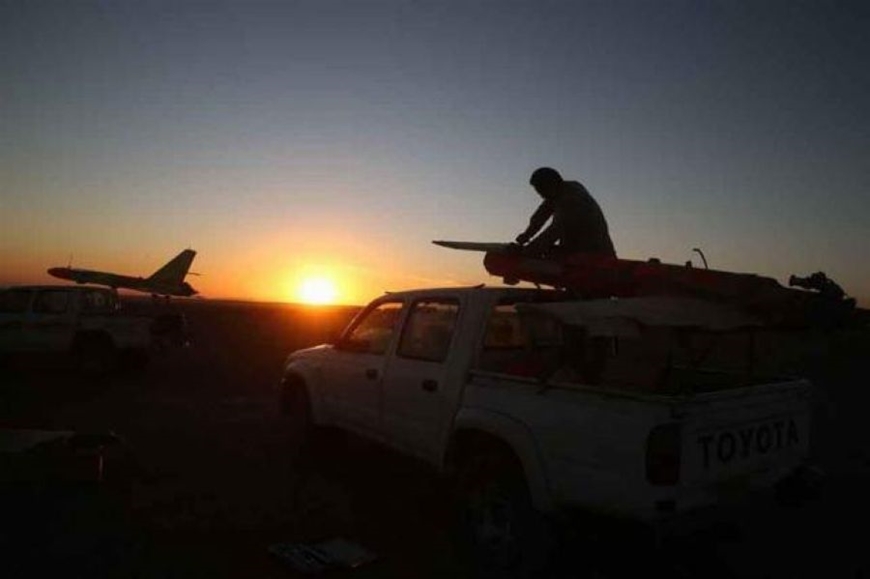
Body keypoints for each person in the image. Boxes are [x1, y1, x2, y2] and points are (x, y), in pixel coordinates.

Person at [515, 167, 616, 258]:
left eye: (541, 189)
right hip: (577, 250)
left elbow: (556, 230)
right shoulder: (558, 193)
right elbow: (541, 214)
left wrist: (527, 251)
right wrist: (527, 235)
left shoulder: (572, 198)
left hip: (595, 256)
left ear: (550, 184)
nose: (540, 194)